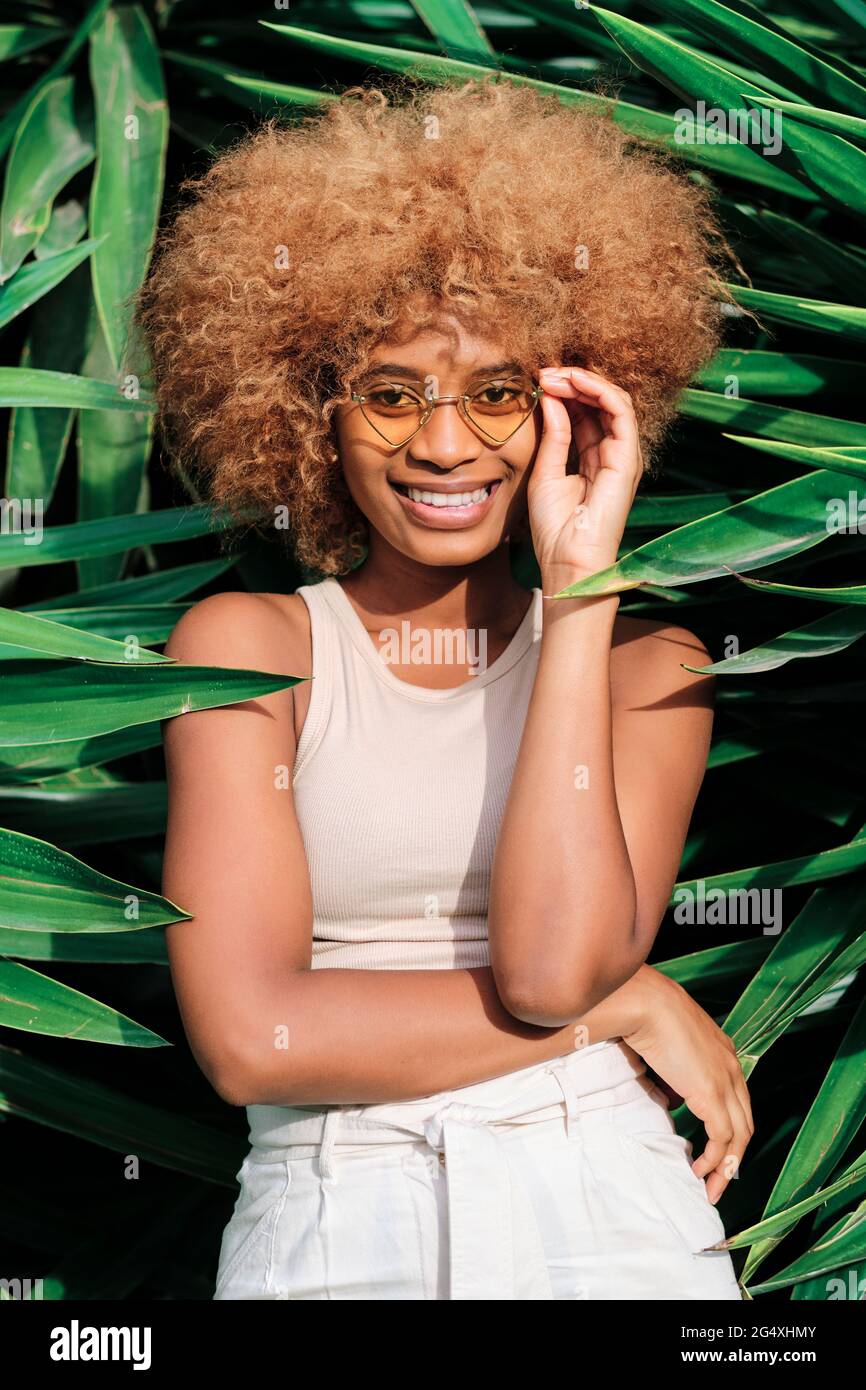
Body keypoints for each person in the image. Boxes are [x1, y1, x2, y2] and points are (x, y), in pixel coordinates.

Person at [138, 77, 752, 1300]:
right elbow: (253, 1044)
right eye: (390, 393)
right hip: (332, 1206)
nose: (441, 446)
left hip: (607, 1205)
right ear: (314, 412)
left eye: (494, 393)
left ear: (571, 402)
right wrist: (619, 1009)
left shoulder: (649, 668)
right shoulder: (253, 648)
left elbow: (544, 968)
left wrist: (580, 588)